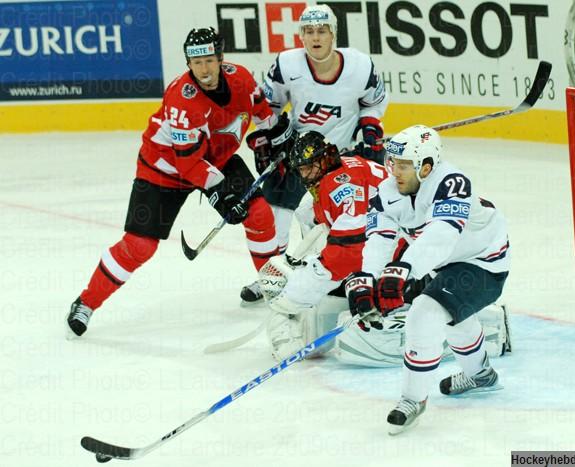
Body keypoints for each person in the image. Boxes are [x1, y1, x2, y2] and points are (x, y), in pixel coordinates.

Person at [66, 27, 292, 338]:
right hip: (165, 170)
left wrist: (273, 136)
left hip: (216, 158)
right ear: (188, 63)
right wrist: (222, 195)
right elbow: (189, 164)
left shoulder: (241, 78)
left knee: (260, 214)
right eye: (196, 63)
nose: (204, 69)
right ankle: (86, 302)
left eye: (209, 61)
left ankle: (275, 287)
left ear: (220, 59)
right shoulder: (182, 99)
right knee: (139, 246)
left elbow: (261, 113)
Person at [345, 125, 510, 435]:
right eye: (393, 163)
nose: (395, 172)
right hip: (443, 262)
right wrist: (368, 279)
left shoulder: (451, 182)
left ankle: (413, 399)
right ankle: (481, 375)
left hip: (484, 261)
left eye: (404, 165)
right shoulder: (387, 192)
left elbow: (442, 236)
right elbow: (379, 239)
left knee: (425, 313)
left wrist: (404, 269)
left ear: (426, 166)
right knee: (453, 315)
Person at [240, 4, 388, 303]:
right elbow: (268, 107)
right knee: (277, 215)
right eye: (308, 31)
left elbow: (372, 104)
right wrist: (269, 137)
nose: (315, 37)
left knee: (330, 220)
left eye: (322, 31)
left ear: (333, 34)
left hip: (342, 157)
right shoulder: (287, 64)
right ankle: (272, 275)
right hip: (300, 155)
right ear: (301, 36)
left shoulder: (360, 66)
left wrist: (370, 133)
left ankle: (328, 275)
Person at [259, 130, 387, 360]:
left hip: (394, 247)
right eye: (302, 169)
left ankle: (287, 333)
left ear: (325, 158)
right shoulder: (334, 175)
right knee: (306, 212)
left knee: (292, 293)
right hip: (378, 237)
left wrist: (309, 280)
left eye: (310, 167)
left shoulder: (341, 186)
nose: (306, 175)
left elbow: (350, 250)